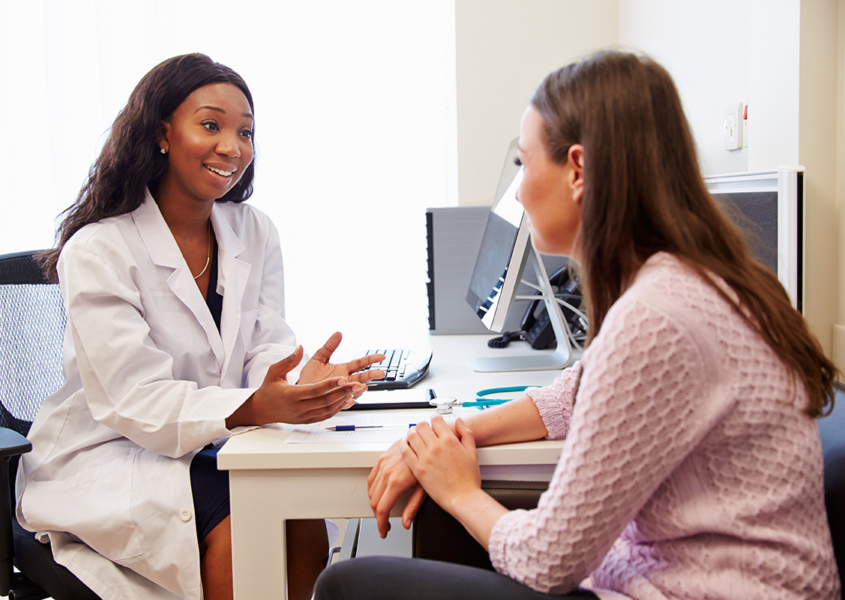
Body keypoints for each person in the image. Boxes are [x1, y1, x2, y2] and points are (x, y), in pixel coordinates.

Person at [315, 51, 842, 600]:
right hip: (689, 578)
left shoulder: (657, 314)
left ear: (578, 170)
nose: (517, 191)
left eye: (523, 163)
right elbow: (576, 395)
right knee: (438, 522)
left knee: (349, 585)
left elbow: (548, 561)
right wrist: (450, 437)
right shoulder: (694, 282)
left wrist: (458, 487)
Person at [16, 53, 385, 600]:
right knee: (242, 523)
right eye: (210, 125)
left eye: (246, 132)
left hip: (210, 442)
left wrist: (291, 383)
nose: (232, 147)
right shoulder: (99, 248)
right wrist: (254, 406)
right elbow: (132, 399)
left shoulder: (253, 230)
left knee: (298, 516)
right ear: (163, 133)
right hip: (110, 452)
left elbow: (265, 343)